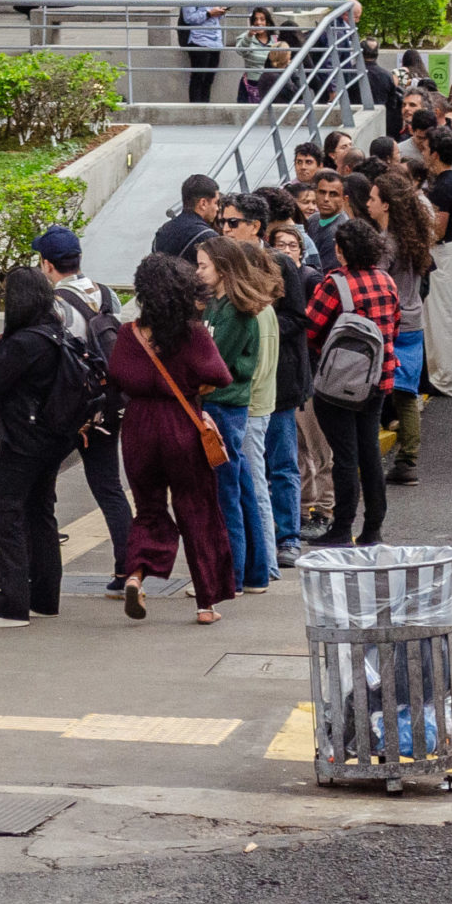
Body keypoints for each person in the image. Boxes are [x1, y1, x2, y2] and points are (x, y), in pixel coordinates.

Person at [110, 252, 235, 624]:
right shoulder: (192, 334)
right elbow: (221, 375)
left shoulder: (128, 333)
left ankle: (135, 575)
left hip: (138, 426)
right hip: (181, 422)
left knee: (148, 508)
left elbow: (118, 375)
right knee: (197, 508)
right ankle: (206, 603)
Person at [0, 265, 77, 627]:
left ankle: (11, 603)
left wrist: (0, 348)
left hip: (23, 440)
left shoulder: (21, 344)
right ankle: (46, 597)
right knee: (40, 512)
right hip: (53, 439)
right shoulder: (55, 334)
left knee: (5, 512)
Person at [35, 225, 133, 594]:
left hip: (68, 409)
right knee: (109, 488)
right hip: (107, 404)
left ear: (47, 265)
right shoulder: (107, 295)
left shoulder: (55, 305)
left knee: (34, 484)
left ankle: (18, 561)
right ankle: (128, 568)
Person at [303, 222, 403, 547]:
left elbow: (311, 329)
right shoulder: (386, 280)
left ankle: (342, 527)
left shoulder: (336, 284)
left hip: (338, 385)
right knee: (369, 453)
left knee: (344, 456)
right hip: (379, 379)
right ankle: (373, 527)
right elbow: (396, 325)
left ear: (342, 250)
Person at [196, 234, 281, 591]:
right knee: (241, 487)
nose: (197, 272)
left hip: (225, 407)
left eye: (203, 265)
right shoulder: (218, 304)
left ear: (223, 268)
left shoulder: (232, 311)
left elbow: (214, 364)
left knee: (226, 493)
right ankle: (254, 573)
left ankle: (231, 575)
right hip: (226, 406)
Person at [368, 173, 435, 486]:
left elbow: (377, 283)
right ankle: (409, 459)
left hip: (391, 324)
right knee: (407, 393)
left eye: (372, 199)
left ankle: (384, 457)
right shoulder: (416, 236)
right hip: (413, 322)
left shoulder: (386, 243)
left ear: (386, 205)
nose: (368, 204)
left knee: (378, 389)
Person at [260, 220, 317, 564]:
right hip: (245, 387)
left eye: (234, 222)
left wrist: (260, 327)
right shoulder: (227, 262)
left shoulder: (283, 268)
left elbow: (299, 319)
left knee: (282, 464)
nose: (227, 228)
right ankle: (263, 536)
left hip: (280, 384)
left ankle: (288, 537)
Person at [419, 128, 452, 398]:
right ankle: (443, 375)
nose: (423, 154)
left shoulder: (443, 187)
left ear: (435, 154)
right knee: (444, 319)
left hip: (443, 257)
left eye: (426, 150)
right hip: (448, 255)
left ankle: (444, 378)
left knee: (442, 321)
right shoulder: (450, 182)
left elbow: (437, 230)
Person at [180, 0, 226, 103]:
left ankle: (206, 108)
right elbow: (188, 18)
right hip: (198, 40)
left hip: (215, 40)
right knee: (198, 78)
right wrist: (208, 13)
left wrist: (219, 13)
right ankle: (195, 109)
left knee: (209, 79)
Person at [156, 174, 222, 259]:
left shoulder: (162, 232)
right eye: (216, 203)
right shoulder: (208, 237)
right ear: (203, 203)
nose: (217, 208)